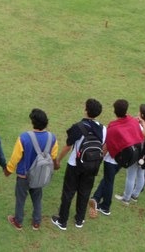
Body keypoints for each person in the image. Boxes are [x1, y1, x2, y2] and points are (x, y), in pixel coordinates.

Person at [51, 98, 104, 231]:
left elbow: (68, 146)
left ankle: (62, 221)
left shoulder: (78, 127)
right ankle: (79, 220)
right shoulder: (103, 129)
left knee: (68, 192)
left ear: (86, 110)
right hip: (92, 165)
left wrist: (58, 160)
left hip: (75, 164)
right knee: (85, 192)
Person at [89, 99, 144, 217]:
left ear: (114, 111)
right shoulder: (132, 121)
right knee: (108, 178)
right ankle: (96, 197)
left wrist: (98, 159)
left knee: (109, 181)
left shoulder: (113, 127)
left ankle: (106, 207)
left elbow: (107, 146)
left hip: (113, 159)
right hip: (126, 158)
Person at [5, 108, 58, 231]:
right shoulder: (52, 138)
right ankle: (36, 222)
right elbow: (53, 156)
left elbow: (15, 157)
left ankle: (18, 221)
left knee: (20, 199)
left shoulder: (24, 137)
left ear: (33, 122)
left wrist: (8, 170)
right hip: (40, 175)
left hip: (24, 176)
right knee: (37, 199)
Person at [117, 104, 145, 203]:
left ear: (142, 115)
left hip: (137, 153)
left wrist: (139, 122)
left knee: (130, 176)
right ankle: (135, 195)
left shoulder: (141, 127)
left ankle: (126, 198)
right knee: (141, 174)